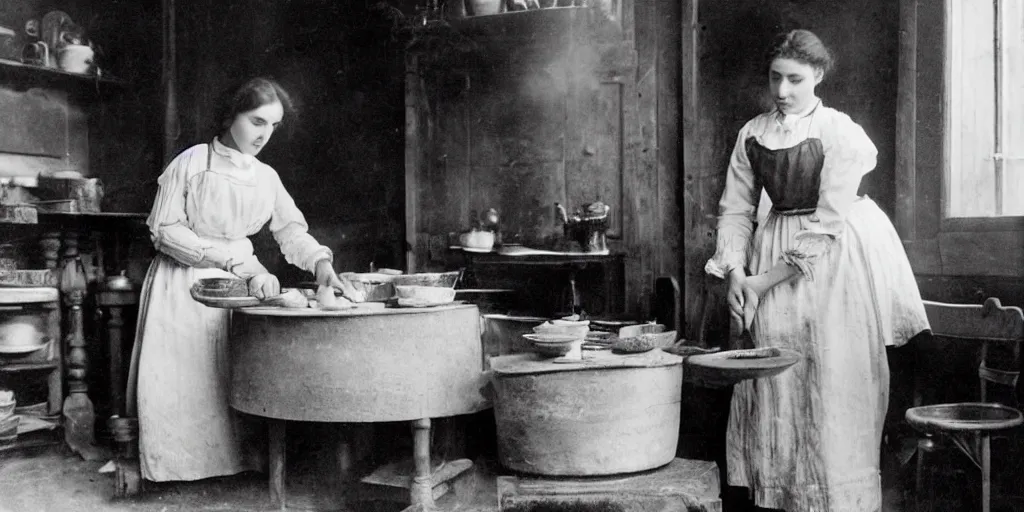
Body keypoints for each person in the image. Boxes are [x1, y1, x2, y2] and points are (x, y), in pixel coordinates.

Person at [704, 30, 930, 511]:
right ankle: (783, 496)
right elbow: (736, 210)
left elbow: (829, 223)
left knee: (832, 374)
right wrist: (737, 274)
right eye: (775, 78)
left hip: (833, 258)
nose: (782, 91)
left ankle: (838, 499)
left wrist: (762, 282)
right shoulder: (752, 134)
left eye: (794, 80)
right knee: (779, 380)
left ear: (819, 76)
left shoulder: (839, 132)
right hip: (769, 251)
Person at [125, 77, 358, 482]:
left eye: (273, 125)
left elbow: (290, 232)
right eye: (256, 121)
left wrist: (321, 264)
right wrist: (230, 261)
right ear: (232, 114)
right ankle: (176, 473)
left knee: (226, 374)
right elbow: (163, 230)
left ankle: (228, 471)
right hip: (184, 284)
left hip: (238, 287)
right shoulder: (193, 162)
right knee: (184, 377)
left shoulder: (265, 177)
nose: (264, 135)